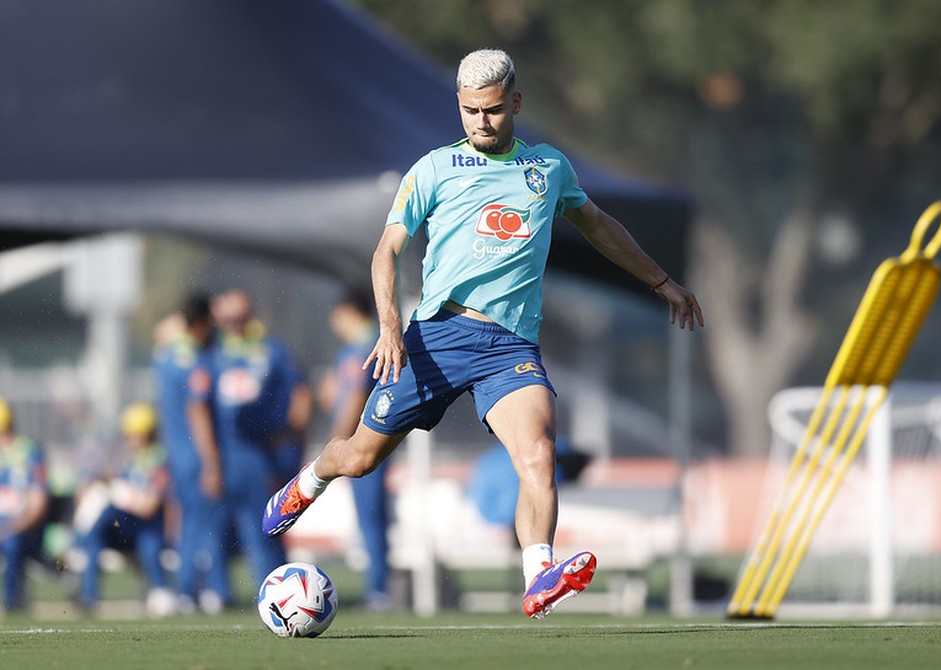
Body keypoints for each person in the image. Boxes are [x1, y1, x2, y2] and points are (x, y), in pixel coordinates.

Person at [263, 49, 703, 619]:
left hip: (509, 348)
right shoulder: (433, 169)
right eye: (470, 111)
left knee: (539, 453)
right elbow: (385, 252)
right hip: (435, 340)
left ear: (515, 103)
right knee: (359, 459)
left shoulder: (549, 169)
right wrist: (391, 327)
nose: (480, 122)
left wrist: (661, 281)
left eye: (492, 110)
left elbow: (599, 227)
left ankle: (539, 573)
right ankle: (311, 480)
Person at [210, 289, 294, 586]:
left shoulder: (270, 349)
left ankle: (280, 590)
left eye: (239, 316)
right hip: (222, 454)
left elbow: (297, 396)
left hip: (260, 454)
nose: (233, 323)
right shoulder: (211, 349)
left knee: (265, 529)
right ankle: (215, 595)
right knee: (214, 531)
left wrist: (285, 445)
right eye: (227, 317)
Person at [153, 294, 229, 614]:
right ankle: (210, 590)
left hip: (176, 452)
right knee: (205, 524)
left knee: (187, 524)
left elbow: (162, 329)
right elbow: (197, 410)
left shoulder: (167, 354)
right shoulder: (197, 360)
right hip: (197, 455)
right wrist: (212, 462)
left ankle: (186, 590)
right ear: (202, 322)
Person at [317, 288, 391, 610]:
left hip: (363, 445)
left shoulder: (369, 343)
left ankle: (380, 591)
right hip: (354, 445)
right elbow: (330, 393)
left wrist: (338, 441)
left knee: (373, 518)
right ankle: (377, 587)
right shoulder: (349, 349)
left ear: (349, 310)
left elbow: (356, 398)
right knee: (367, 519)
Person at [73, 403, 175, 616]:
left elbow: (149, 506)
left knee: (149, 544)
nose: (128, 440)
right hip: (122, 528)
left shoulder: (159, 460)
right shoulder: (127, 459)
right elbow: (113, 480)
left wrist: (122, 494)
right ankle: (87, 596)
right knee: (97, 530)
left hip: (146, 528)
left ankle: (160, 592)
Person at [0, 396, 49, 612]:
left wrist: (9, 528)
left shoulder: (28, 452)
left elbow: (37, 502)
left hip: (22, 529)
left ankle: (13, 604)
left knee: (12, 543)